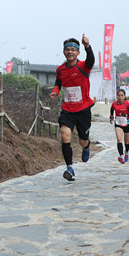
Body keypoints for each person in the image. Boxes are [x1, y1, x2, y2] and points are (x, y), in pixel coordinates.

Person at [50, 34, 94, 182]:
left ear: (78, 53)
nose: (70, 52)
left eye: (73, 50)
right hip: (67, 109)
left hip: (83, 110)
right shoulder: (60, 69)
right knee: (65, 135)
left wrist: (87, 46)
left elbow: (91, 60)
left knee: (82, 141)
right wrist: (55, 91)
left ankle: (86, 146)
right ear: (64, 52)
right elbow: (58, 83)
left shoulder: (83, 66)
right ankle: (69, 168)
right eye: (67, 49)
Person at [109, 89, 129, 163]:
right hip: (118, 123)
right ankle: (121, 156)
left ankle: (126, 153)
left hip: (127, 124)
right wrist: (111, 116)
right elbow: (112, 109)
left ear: (124, 96)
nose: (120, 97)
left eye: (122, 95)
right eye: (118, 95)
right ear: (117, 96)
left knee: (126, 142)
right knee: (119, 139)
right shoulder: (114, 103)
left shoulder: (127, 104)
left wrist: (127, 115)